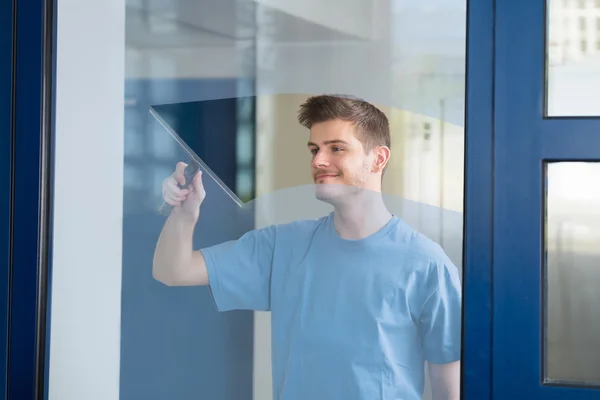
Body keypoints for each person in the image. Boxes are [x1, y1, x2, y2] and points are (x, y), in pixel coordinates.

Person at [153, 94, 462, 400]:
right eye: (314, 149)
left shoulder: (427, 264)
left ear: (378, 158)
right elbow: (173, 270)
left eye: (336, 148)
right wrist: (185, 212)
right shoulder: (281, 246)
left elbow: (448, 386)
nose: (318, 161)